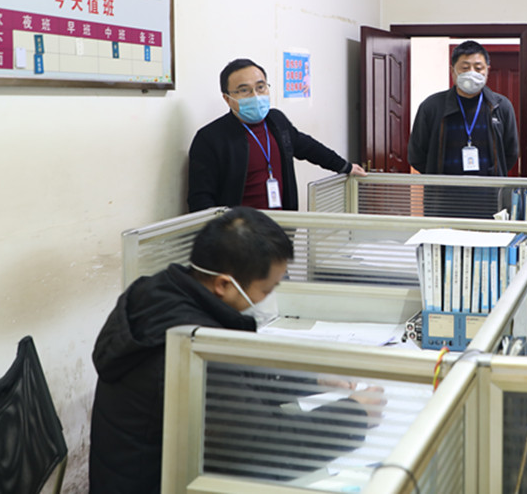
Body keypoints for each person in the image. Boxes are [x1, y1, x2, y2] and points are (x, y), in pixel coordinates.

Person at [89, 207, 380, 493]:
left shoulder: (162, 295)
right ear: (224, 284)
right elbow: (265, 447)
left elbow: (241, 377)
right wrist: (355, 414)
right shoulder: (191, 344)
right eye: (266, 290)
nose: (268, 298)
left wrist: (312, 379)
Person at [188, 58, 366, 212]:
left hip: (282, 226)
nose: (255, 95)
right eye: (244, 90)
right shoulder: (210, 138)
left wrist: (345, 166)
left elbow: (307, 147)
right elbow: (200, 198)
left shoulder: (276, 120)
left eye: (260, 87)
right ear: (227, 98)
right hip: (239, 234)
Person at [408, 40, 519, 177]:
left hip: (489, 188)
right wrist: (437, 179)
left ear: (487, 70)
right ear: (452, 71)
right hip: (443, 188)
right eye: (465, 68)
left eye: (478, 68)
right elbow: (417, 155)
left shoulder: (501, 106)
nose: (472, 73)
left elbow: (510, 153)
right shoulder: (431, 106)